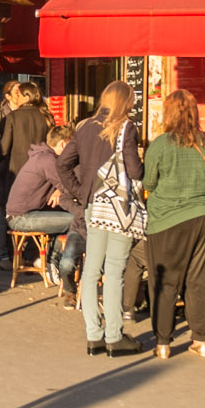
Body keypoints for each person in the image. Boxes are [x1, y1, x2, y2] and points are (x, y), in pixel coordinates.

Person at [56, 81, 144, 356]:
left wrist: (80, 192)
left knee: (92, 270)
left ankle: (94, 335)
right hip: (118, 207)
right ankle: (114, 336)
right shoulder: (126, 128)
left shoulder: (84, 127)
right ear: (125, 101)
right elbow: (135, 171)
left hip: (93, 204)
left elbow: (62, 163)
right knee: (115, 270)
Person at [143, 90, 205, 359]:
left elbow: (148, 183)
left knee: (166, 281)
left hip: (167, 218)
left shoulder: (160, 144)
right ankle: (201, 339)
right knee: (200, 279)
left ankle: (164, 342)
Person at [5, 124, 84, 305]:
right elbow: (67, 184)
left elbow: (60, 186)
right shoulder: (48, 160)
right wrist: (65, 190)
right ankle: (53, 261)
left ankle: (50, 260)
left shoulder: (41, 156)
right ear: (64, 144)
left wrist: (57, 191)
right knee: (73, 219)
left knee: (63, 215)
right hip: (21, 218)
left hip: (22, 213)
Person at [0, 82, 55, 271]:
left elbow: (4, 148)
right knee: (37, 213)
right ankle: (31, 255)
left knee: (4, 214)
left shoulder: (13, 117)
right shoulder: (46, 117)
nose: (15, 98)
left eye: (19, 94)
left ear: (26, 97)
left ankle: (5, 256)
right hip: (42, 174)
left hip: (17, 174)